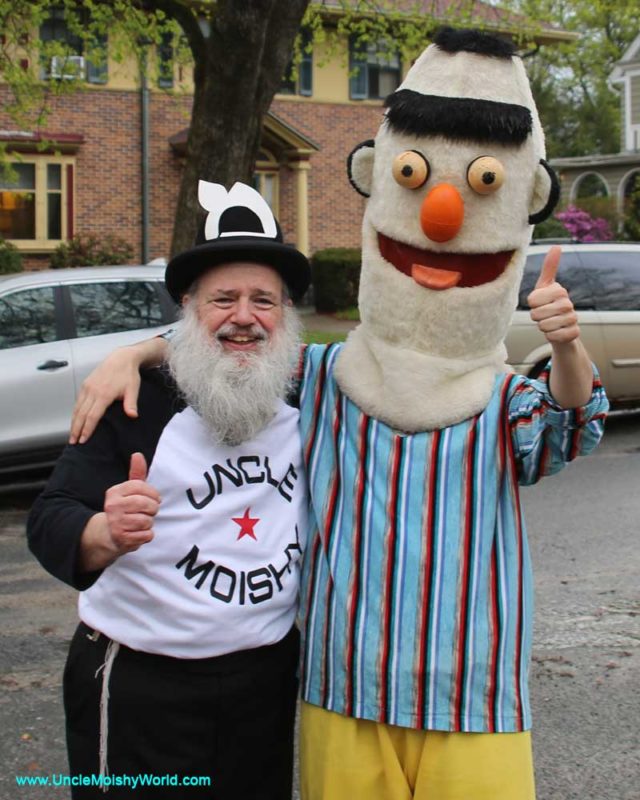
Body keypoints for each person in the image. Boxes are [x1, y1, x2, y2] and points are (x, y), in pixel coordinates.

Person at [68, 29, 609, 800]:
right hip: (342, 688)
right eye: (415, 178)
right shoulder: (322, 378)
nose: (445, 213)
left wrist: (565, 348)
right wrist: (142, 352)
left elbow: (568, 420)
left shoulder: (502, 402)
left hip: (474, 695)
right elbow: (232, 344)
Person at [27, 181, 311, 800]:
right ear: (188, 307)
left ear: (286, 314)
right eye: (223, 299)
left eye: (264, 300)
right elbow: (50, 517)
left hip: (264, 681)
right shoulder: (137, 403)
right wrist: (103, 533)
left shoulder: (313, 400)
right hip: (141, 687)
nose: (244, 316)